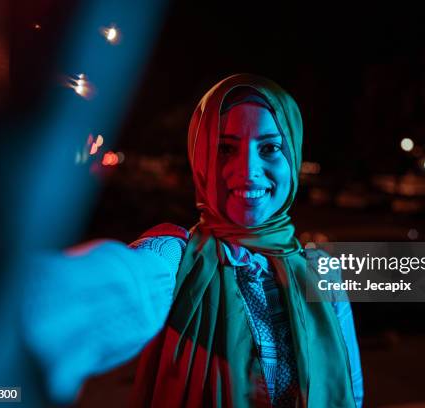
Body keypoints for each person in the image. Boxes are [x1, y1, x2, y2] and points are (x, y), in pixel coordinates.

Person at [22, 74, 363, 407]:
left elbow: (350, 388)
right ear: (200, 159)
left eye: (271, 147)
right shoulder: (177, 255)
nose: (247, 170)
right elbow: (127, 281)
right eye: (225, 149)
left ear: (293, 157)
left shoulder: (321, 271)